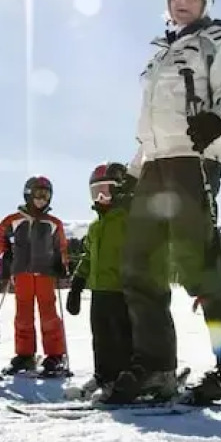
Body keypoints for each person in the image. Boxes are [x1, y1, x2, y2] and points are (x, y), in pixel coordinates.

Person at [107, 0, 221, 406]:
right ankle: (156, 368)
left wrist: (217, 121)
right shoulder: (160, 55)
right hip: (155, 166)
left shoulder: (219, 40)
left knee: (199, 268)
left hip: (194, 161)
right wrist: (132, 174)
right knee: (139, 268)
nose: (183, 1)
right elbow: (151, 130)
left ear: (204, 2)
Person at [65, 163, 135, 399]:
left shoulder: (128, 220)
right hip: (99, 291)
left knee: (121, 338)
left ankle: (123, 379)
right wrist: (77, 285)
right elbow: (88, 257)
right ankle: (103, 375)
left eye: (106, 191)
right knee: (101, 338)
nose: (101, 198)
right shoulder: (95, 226)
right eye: (96, 193)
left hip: (121, 290)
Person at [0, 177, 71, 377]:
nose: (41, 199)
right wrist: (5, 254)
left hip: (45, 273)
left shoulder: (53, 223)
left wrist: (61, 263)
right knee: (23, 315)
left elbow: (61, 246)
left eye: (46, 196)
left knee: (49, 315)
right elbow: (0, 235)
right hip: (22, 273)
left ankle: (55, 355)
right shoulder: (14, 220)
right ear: (28, 194)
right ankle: (25, 355)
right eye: (38, 194)